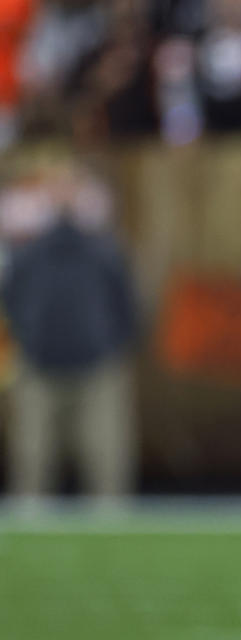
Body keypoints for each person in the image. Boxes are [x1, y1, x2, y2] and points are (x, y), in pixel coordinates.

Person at [1, 163, 138, 497]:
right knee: (31, 464)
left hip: (97, 370)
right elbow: (12, 304)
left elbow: (128, 307)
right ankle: (30, 542)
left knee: (106, 466)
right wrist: (31, 340)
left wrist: (108, 345)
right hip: (39, 369)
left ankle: (113, 540)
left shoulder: (105, 252)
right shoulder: (27, 255)